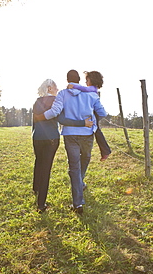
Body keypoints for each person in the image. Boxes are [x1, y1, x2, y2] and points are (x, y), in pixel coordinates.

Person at [33, 70, 107, 214]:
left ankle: (78, 204)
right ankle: (80, 185)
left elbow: (55, 113)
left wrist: (40, 117)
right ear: (80, 80)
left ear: (67, 80)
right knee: (84, 160)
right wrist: (90, 119)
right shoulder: (92, 94)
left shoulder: (61, 95)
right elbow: (103, 113)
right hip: (86, 134)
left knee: (74, 168)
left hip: (69, 135)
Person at [68, 71, 111, 161]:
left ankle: (106, 151)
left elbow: (83, 88)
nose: (85, 82)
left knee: (97, 130)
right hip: (95, 113)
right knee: (97, 131)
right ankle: (105, 151)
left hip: (94, 112)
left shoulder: (91, 89)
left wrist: (73, 86)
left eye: (87, 80)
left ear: (92, 80)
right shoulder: (93, 90)